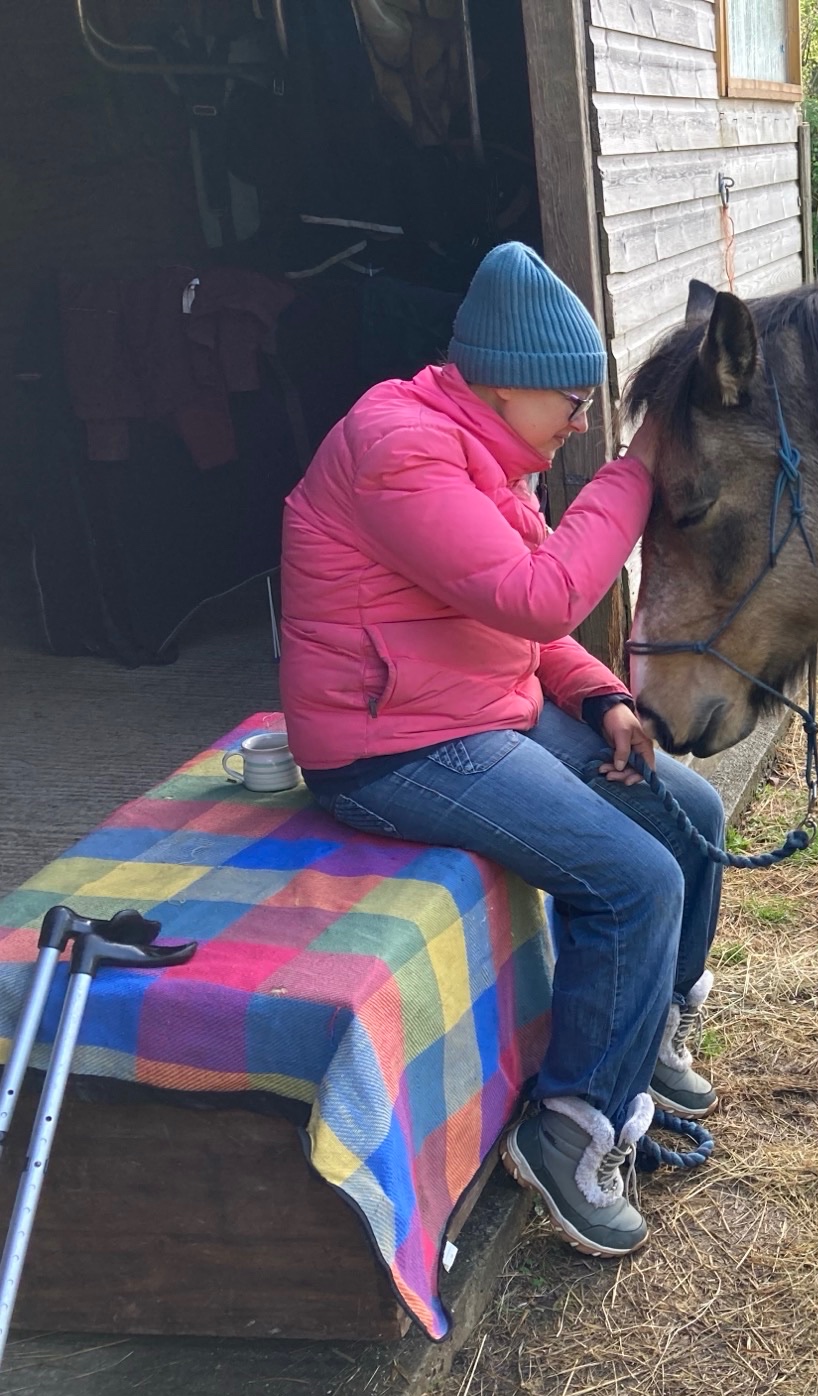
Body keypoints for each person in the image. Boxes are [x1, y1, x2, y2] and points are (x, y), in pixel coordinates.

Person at [279, 242, 723, 1259]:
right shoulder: (400, 449)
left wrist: (600, 694)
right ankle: (569, 1130)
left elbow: (519, 612)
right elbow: (540, 594)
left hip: (479, 709)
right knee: (630, 880)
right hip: (391, 746)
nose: (578, 423)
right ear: (507, 382)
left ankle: (642, 1035)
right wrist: (637, 471)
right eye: (569, 400)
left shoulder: (484, 453)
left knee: (688, 813)